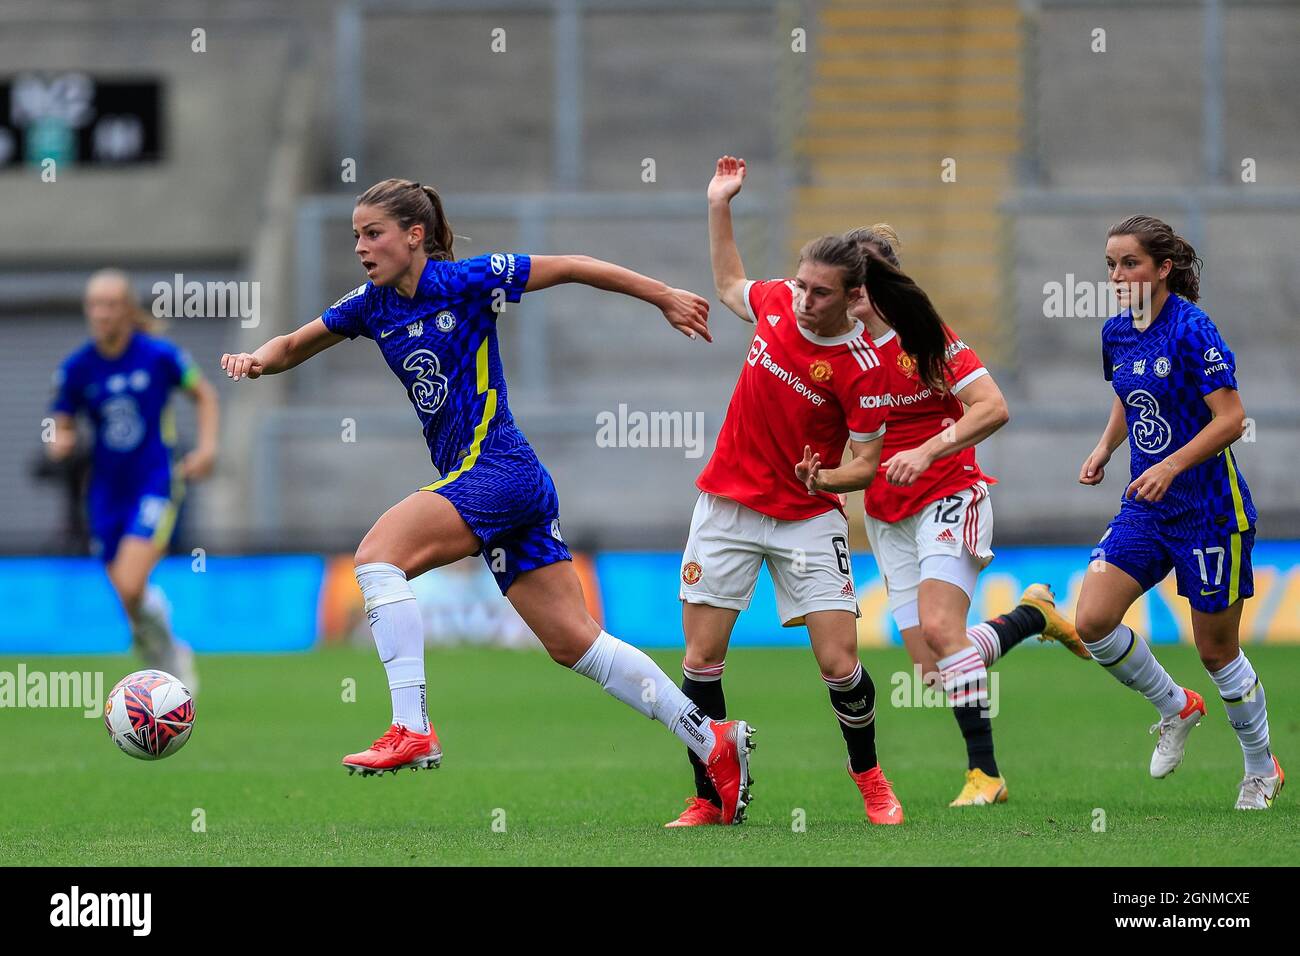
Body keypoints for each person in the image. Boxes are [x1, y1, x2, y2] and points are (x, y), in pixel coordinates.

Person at [220, 178, 755, 823]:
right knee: (576, 644)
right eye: (356, 236)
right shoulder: (370, 305)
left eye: (373, 233)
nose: (360, 247)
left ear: (414, 236)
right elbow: (292, 347)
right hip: (506, 483)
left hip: (495, 470)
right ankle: (712, 741)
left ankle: (411, 725)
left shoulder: (468, 282)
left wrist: (663, 294)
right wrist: (256, 361)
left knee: (376, 558)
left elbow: (572, 267)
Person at [667, 156, 902, 828]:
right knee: (701, 659)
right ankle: (712, 797)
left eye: (819, 292)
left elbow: (866, 464)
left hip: (805, 515)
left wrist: (823, 478)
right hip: (727, 507)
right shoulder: (773, 302)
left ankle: (871, 779)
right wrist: (719, 203)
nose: (802, 298)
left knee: (840, 661)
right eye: (800, 285)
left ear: (851, 296)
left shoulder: (866, 368)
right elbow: (732, 280)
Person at [841, 224, 1088, 807]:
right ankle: (1032, 617)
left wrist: (927, 450)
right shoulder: (843, 353)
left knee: (942, 631)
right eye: (846, 281)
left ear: (886, 283)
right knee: (933, 669)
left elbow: (993, 406)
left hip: (948, 493)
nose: (851, 291)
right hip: (885, 514)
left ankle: (986, 775)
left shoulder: (928, 339)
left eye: (861, 280)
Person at [1075, 215, 1282, 810]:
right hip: (1146, 507)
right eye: (1111, 264)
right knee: (1091, 621)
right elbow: (1127, 393)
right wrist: (1105, 447)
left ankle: (1259, 767)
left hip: (1210, 512)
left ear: (1164, 268)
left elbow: (1231, 417)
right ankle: (1175, 706)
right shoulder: (1117, 330)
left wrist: (1171, 465)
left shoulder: (1193, 329)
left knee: (1216, 650)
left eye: (1130, 263)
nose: (1118, 275)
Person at [48, 269, 217, 690]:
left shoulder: (158, 356)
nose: (101, 313)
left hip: (154, 481)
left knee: (131, 581)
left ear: (126, 309)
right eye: (94, 305)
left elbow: (204, 394)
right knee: (127, 595)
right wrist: (57, 440)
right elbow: (58, 421)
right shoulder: (78, 368)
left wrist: (207, 448)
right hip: (105, 492)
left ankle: (169, 659)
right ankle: (165, 649)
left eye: (110, 304)